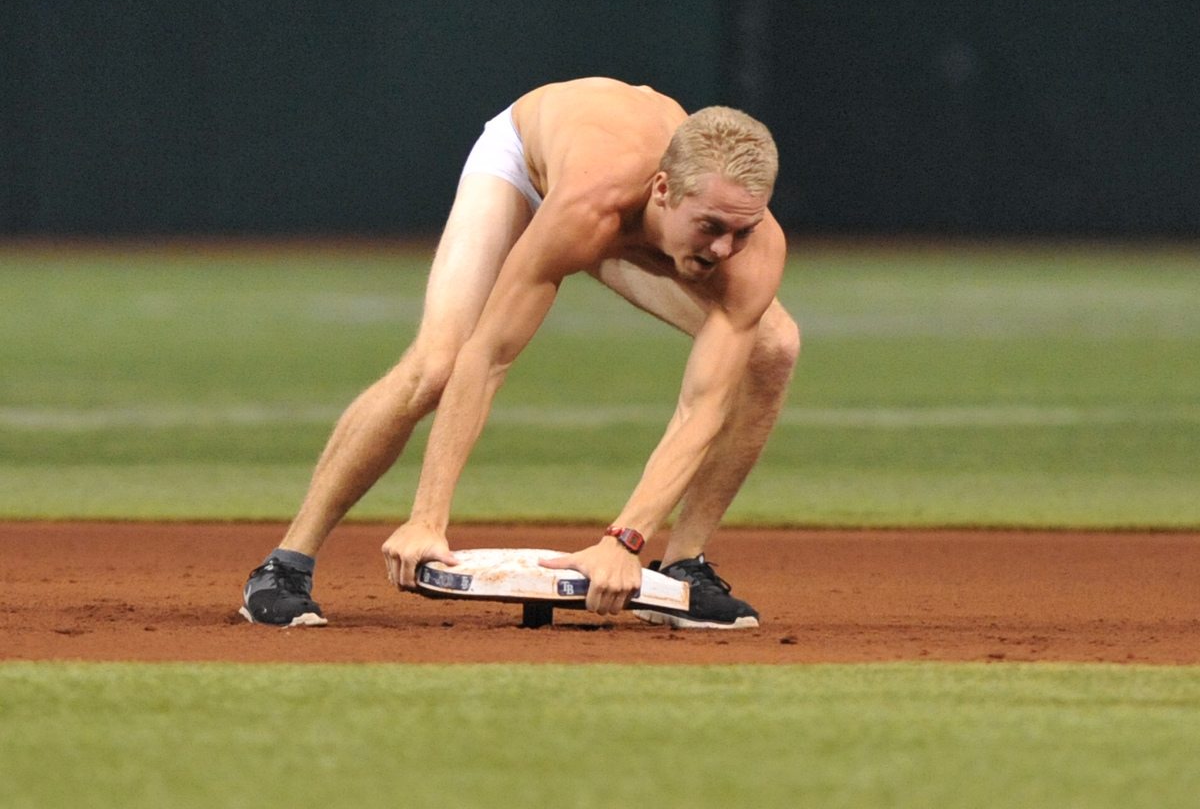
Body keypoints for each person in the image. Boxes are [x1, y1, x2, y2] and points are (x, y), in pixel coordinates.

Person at [240, 77, 799, 630]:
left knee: (773, 347)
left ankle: (683, 571)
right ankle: (286, 564)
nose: (726, 249)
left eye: (743, 230)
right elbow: (489, 357)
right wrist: (427, 519)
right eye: (712, 227)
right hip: (526, 174)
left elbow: (700, 407)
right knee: (438, 364)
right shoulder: (589, 205)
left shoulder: (749, 249)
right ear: (662, 190)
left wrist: (624, 541)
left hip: (627, 217)